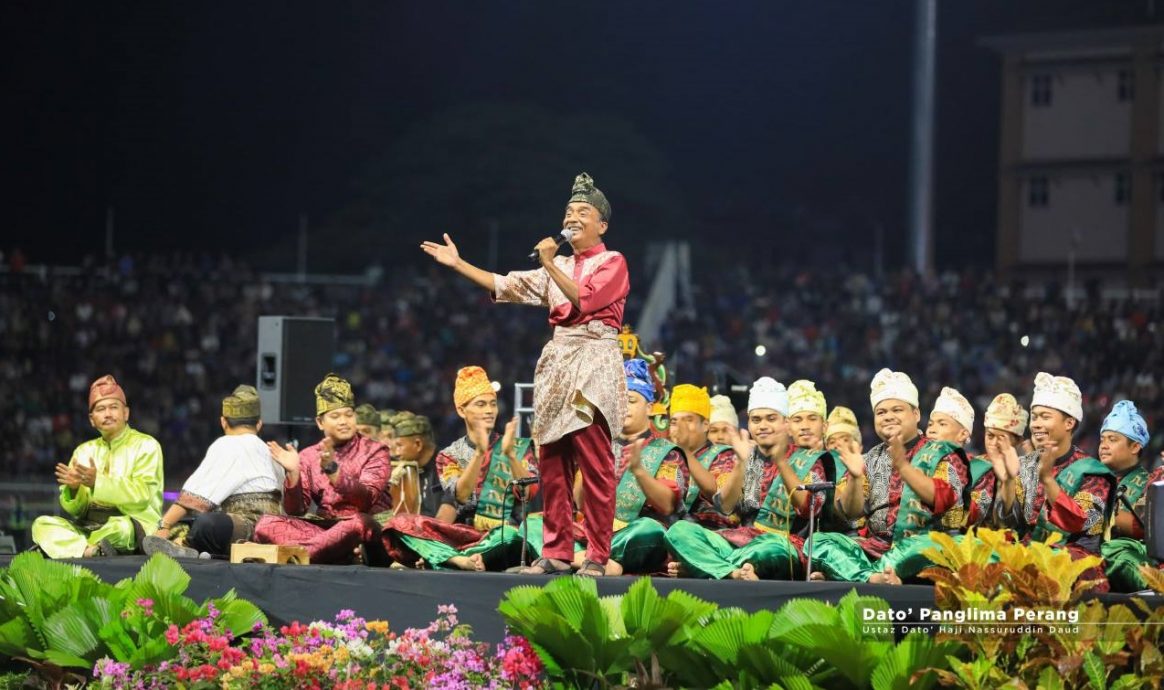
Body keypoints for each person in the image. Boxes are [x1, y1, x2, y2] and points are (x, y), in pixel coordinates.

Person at [422, 172, 629, 577]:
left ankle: (597, 556)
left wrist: (548, 262)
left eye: (582, 212)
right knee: (551, 461)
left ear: (602, 225)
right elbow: (506, 285)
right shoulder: (560, 265)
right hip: (557, 362)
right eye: (568, 211)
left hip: (593, 360)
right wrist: (458, 263)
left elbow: (586, 301)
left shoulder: (612, 262)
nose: (572, 217)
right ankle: (557, 552)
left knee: (594, 463)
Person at [524, 359, 689, 575]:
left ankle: (588, 559)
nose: (623, 406)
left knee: (652, 531)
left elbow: (668, 505)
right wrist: (586, 463)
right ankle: (590, 560)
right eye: (618, 401)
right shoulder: (599, 444)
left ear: (649, 408)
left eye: (631, 400)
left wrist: (639, 471)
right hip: (591, 535)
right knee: (534, 524)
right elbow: (581, 503)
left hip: (632, 536)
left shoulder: (666, 451)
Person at [808, 369, 970, 583]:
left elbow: (944, 498)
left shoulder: (941, 451)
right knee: (817, 542)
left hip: (922, 547)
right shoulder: (870, 458)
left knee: (939, 545)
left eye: (897, 409)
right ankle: (874, 576)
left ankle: (857, 574)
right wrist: (855, 478)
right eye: (881, 412)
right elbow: (850, 512)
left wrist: (903, 466)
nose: (888, 416)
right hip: (875, 548)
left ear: (916, 414)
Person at [666, 378, 831, 581]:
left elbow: (809, 508)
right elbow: (725, 507)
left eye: (771, 419)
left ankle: (706, 566)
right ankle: (733, 573)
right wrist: (742, 463)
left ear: (786, 423)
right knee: (679, 531)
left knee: (772, 548)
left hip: (783, 548)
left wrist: (781, 461)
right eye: (756, 420)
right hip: (738, 543)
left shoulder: (808, 459)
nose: (763, 425)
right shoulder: (746, 457)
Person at [381, 367, 536, 571]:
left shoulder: (516, 446)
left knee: (512, 534)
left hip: (503, 535)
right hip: (463, 535)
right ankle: (460, 560)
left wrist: (510, 455)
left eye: (493, 404)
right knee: (400, 523)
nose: (489, 410)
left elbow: (528, 494)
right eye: (481, 404)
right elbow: (460, 495)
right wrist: (479, 453)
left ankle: (447, 559)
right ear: (462, 411)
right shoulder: (449, 455)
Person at [253, 374, 391, 564]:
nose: (343, 421)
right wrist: (293, 474)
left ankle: (303, 554)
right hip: (324, 529)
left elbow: (366, 500)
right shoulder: (309, 455)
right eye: (335, 416)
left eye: (349, 415)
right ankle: (334, 553)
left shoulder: (375, 451)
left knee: (359, 523)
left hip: (364, 530)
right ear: (320, 422)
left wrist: (333, 470)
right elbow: (296, 510)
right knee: (266, 524)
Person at [143, 385, 284, 559]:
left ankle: (184, 545)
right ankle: (189, 545)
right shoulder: (274, 451)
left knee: (206, 524)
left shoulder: (227, 444)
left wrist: (164, 525)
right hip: (275, 531)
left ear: (223, 422)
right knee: (195, 522)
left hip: (246, 529)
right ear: (259, 424)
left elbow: (194, 497)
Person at [32, 375, 164, 558]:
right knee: (41, 525)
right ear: (92, 419)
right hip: (89, 527)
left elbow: (142, 495)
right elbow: (77, 512)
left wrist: (97, 482)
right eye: (101, 409)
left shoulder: (147, 445)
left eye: (113, 407)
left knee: (121, 529)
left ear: (126, 413)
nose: (108, 414)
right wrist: (74, 490)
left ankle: (73, 547)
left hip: (132, 525)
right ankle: (91, 550)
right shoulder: (83, 451)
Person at [997, 374, 1115, 565]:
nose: (1036, 424)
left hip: (1073, 562)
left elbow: (1081, 524)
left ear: (1069, 423)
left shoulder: (1092, 472)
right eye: (1034, 417)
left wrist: (1047, 480)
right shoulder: (1026, 465)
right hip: (1026, 553)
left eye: (1045, 417)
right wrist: (1008, 480)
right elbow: (1006, 524)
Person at [1097, 401, 1155, 592]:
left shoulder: (1150, 484)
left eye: (1112, 440)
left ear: (1135, 447)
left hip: (1132, 561)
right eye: (1102, 439)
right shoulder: (1092, 479)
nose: (1104, 446)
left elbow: (1142, 529)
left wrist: (1096, 509)